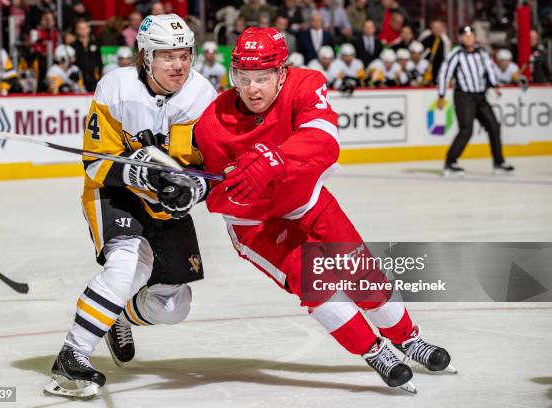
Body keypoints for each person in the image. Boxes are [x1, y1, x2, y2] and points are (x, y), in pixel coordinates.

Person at [194, 26, 455, 393]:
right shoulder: (211, 124)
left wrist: (275, 160)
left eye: (263, 77)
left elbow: (325, 142)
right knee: (312, 278)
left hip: (308, 201)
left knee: (361, 273)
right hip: (256, 223)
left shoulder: (306, 84)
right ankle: (374, 349)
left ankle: (408, 339)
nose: (253, 89)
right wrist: (214, 188)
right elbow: (217, 199)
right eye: (244, 77)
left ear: (282, 72)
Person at [44, 14, 217, 399]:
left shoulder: (202, 94)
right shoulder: (115, 87)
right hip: (114, 193)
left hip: (163, 207)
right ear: (146, 56)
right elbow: (94, 162)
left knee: (175, 304)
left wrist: (192, 189)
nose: (179, 64)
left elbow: (207, 166)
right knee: (129, 262)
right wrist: (140, 174)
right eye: (168, 56)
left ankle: (117, 313)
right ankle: (70, 360)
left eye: (185, 54)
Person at [437, 25, 514, 176]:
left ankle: (499, 163)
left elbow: (489, 69)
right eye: (465, 36)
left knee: (493, 126)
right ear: (460, 38)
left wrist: (495, 85)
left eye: (471, 35)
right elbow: (444, 74)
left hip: (480, 96)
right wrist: (441, 95)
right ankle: (450, 162)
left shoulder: (482, 53)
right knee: (466, 130)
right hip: (464, 96)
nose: (469, 38)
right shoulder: (456, 54)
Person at [72, 19, 103, 92]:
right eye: (80, 28)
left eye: (85, 28)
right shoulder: (73, 46)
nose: (83, 30)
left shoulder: (95, 44)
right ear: (76, 30)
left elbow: (100, 63)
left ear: (89, 29)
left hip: (94, 80)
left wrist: (99, 77)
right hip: (78, 81)